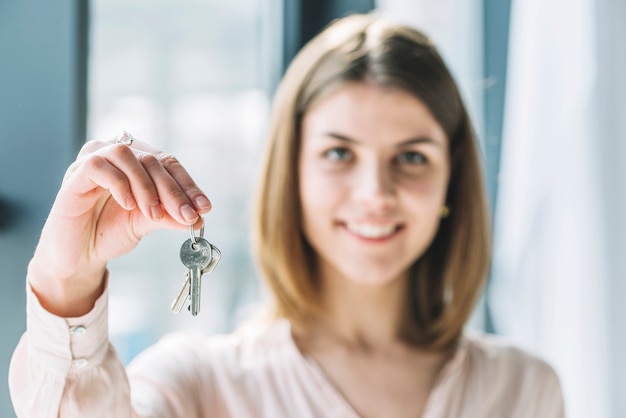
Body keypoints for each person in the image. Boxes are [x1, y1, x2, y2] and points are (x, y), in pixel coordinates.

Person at [9, 13, 564, 418]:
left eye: (412, 157)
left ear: (452, 178)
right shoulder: (197, 383)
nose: (376, 192)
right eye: (338, 153)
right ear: (290, 175)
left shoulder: (523, 388)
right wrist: (66, 281)